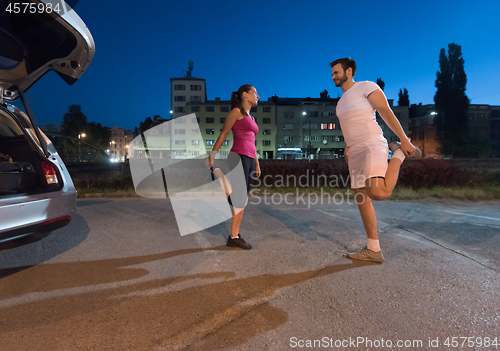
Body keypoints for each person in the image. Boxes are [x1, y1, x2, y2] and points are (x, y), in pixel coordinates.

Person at [330, 57, 421, 263]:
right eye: (332, 73)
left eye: (336, 72)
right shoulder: (340, 103)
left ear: (349, 71)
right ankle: (373, 249)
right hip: (354, 151)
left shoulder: (366, 87)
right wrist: (347, 147)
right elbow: (349, 127)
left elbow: (385, 112)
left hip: (371, 143)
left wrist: (404, 141)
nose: (333, 76)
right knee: (362, 200)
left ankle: (397, 154)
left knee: (378, 192)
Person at [208, 84, 261, 250]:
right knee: (239, 200)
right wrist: (212, 154)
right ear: (245, 95)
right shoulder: (236, 112)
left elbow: (253, 143)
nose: (258, 96)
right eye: (255, 93)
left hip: (250, 159)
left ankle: (234, 236)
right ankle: (234, 237)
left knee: (240, 201)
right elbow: (223, 133)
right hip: (238, 157)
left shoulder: (251, 118)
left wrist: (257, 163)